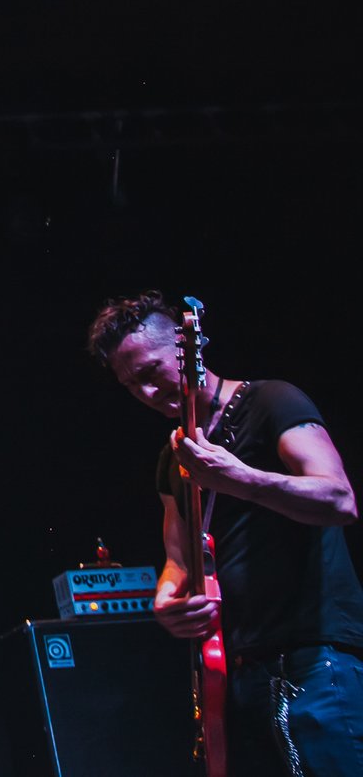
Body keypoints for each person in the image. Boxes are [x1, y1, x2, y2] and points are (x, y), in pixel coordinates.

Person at [86, 290, 363, 776]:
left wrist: (244, 480)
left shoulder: (271, 401)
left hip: (315, 656)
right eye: (131, 386)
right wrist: (165, 599)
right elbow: (178, 559)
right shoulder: (173, 456)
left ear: (184, 350)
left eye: (151, 373)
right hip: (235, 669)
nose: (146, 393)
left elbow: (339, 500)